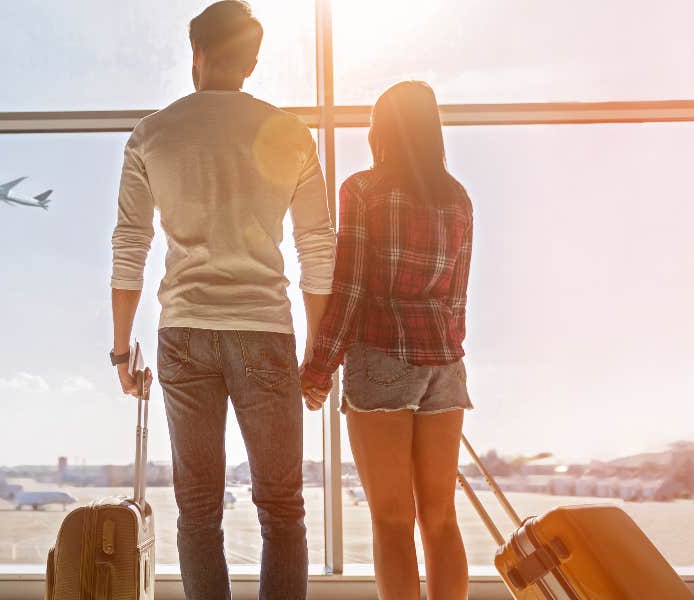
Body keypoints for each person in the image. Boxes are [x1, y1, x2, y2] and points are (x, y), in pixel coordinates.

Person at [108, 2, 335, 598]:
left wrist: (118, 349)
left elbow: (130, 244)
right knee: (282, 507)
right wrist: (317, 352)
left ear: (197, 53)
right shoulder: (291, 135)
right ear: (253, 62)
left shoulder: (152, 134)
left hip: (183, 332)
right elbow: (317, 246)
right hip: (265, 331)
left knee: (198, 510)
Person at [300, 81, 474, 600]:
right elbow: (458, 298)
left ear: (383, 130)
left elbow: (350, 289)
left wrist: (319, 368)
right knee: (440, 518)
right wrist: (442, 353)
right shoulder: (457, 198)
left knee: (393, 519)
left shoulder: (364, 190)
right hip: (445, 364)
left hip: (381, 357)